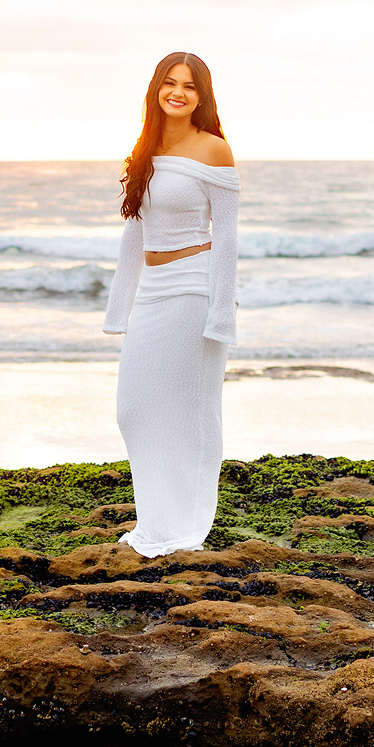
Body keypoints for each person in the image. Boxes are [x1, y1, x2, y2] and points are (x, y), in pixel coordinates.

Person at [103, 52, 239, 557]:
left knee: (187, 410)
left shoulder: (214, 150)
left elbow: (225, 239)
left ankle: (181, 527)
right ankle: (157, 522)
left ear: (202, 96)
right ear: (156, 89)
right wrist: (119, 309)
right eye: (169, 82)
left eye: (189, 86)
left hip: (194, 285)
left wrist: (221, 313)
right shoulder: (146, 148)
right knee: (134, 409)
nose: (177, 92)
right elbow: (133, 233)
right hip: (156, 289)